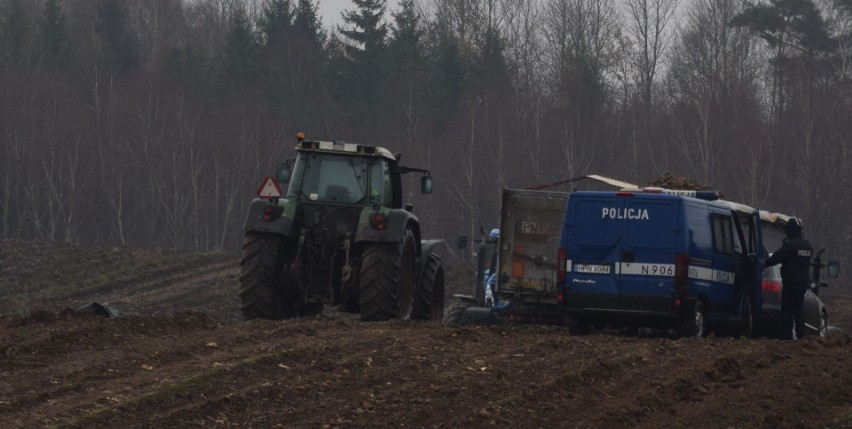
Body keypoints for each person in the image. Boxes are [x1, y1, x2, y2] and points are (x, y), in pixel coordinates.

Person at [763, 218, 813, 339]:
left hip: (791, 282)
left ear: (790, 230)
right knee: (798, 309)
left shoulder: (790, 245)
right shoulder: (807, 246)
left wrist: (764, 263)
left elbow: (777, 257)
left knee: (787, 310)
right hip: (803, 283)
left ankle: (787, 336)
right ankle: (801, 336)